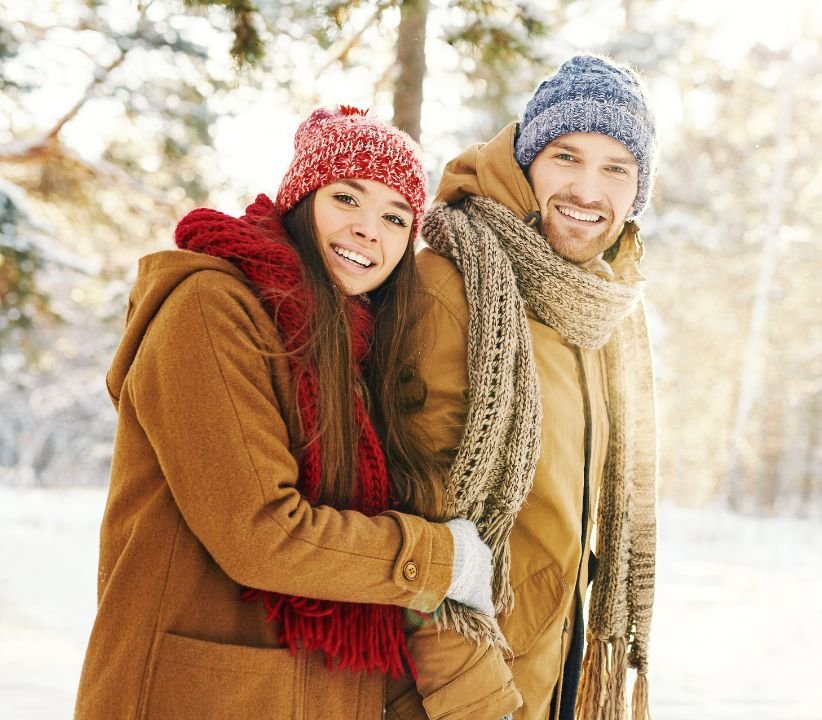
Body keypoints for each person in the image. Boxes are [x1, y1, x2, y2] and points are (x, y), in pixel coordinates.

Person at [74, 106, 499, 720]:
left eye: (394, 216)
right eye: (347, 199)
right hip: (193, 697)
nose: (367, 230)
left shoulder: (358, 349)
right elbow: (263, 533)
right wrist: (440, 559)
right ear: (302, 201)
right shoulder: (210, 310)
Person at [391, 54, 660, 720]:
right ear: (526, 160)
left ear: (637, 192)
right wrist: (479, 706)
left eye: (615, 168)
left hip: (552, 675)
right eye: (566, 156)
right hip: (467, 695)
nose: (589, 190)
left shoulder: (600, 307)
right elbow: (425, 532)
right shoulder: (455, 285)